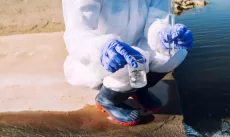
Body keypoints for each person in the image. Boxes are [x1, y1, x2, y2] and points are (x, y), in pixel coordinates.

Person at [62, 0, 194, 126]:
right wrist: (102, 48)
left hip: (137, 45)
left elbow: (158, 18)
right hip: (101, 55)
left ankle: (138, 88)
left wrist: (164, 34)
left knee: (174, 52)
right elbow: (77, 33)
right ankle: (108, 100)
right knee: (130, 61)